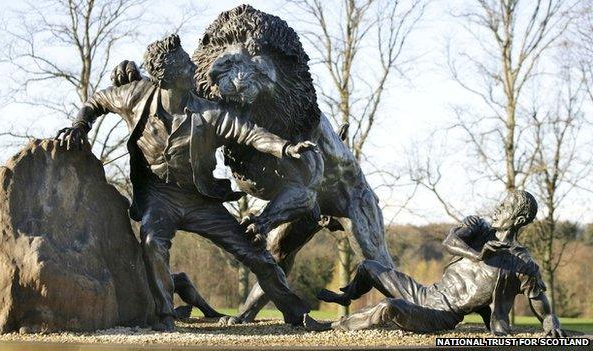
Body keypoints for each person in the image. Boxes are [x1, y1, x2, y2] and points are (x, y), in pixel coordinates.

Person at [55, 33, 317, 331]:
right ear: (167, 78)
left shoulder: (209, 113)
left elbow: (250, 133)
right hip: (157, 195)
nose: (194, 68)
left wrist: (285, 148)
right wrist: (80, 125)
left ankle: (297, 313)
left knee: (255, 253)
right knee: (153, 242)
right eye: (185, 65)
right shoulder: (135, 96)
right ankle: (165, 318)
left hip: (198, 200)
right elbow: (96, 100)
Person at [307, 190, 566, 337]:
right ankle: (345, 299)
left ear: (519, 220)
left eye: (505, 207)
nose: (497, 209)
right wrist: (478, 253)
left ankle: (331, 327)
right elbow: (450, 240)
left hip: (442, 315)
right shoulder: (478, 227)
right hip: (427, 293)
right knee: (368, 267)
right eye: (499, 203)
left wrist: (550, 321)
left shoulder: (522, 264)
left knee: (389, 306)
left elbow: (538, 299)